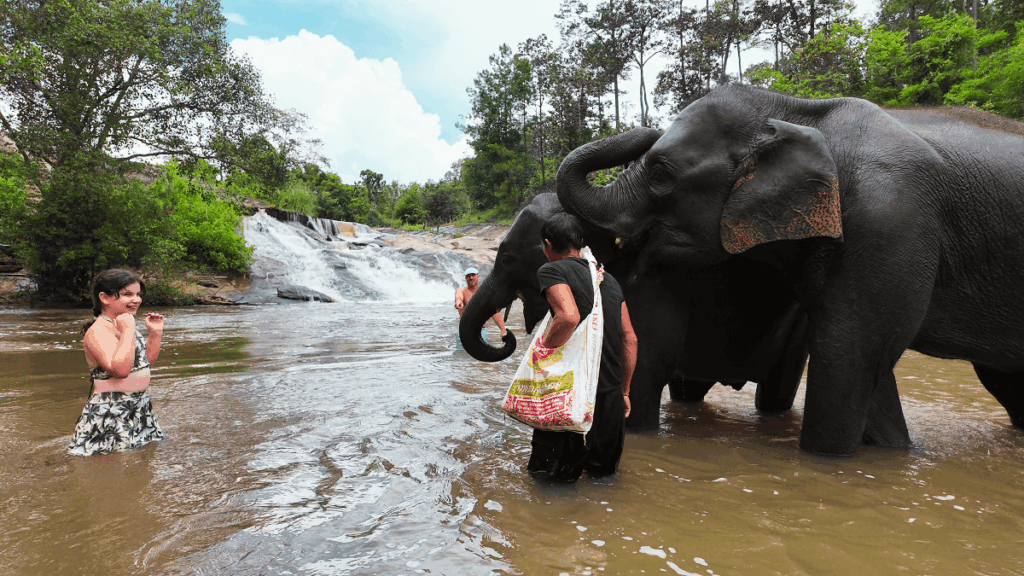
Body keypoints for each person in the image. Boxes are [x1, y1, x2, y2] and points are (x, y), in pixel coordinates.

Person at [527, 213, 638, 481]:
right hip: (610, 399)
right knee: (603, 481)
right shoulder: (608, 280)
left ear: (547, 245)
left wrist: (543, 353)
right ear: (580, 242)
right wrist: (624, 392)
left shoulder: (552, 270)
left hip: (568, 396)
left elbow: (568, 317)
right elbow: (630, 339)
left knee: (552, 482)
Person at [68, 269, 166, 456]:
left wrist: (155, 334)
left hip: (138, 405)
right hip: (111, 410)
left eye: (138, 294)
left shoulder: (124, 324)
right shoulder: (98, 331)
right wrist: (128, 330)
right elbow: (120, 371)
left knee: (139, 464)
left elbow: (143, 364)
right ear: (105, 298)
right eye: (127, 294)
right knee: (110, 466)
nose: (136, 300)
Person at [454, 267, 507, 339]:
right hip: (465, 331)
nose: (471, 278)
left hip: (481, 331)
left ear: (478, 276)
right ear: (465, 278)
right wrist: (458, 303)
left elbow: (494, 312)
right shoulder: (461, 291)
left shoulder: (485, 294)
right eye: (468, 276)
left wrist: (503, 329)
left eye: (473, 275)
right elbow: (458, 298)